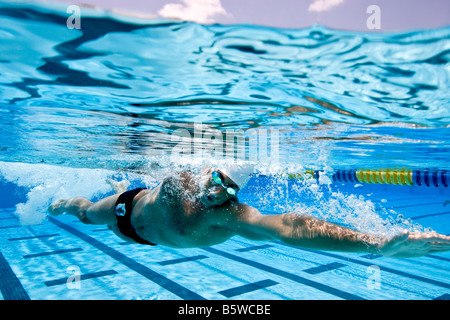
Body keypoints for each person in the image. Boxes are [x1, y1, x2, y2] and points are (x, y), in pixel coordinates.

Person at [48, 163, 450, 258]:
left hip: (146, 235)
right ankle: (57, 199)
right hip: (127, 210)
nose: (216, 191)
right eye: (214, 179)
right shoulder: (179, 179)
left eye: (227, 188)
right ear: (205, 171)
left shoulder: (231, 215)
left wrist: (375, 244)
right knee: (83, 212)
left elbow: (292, 227)